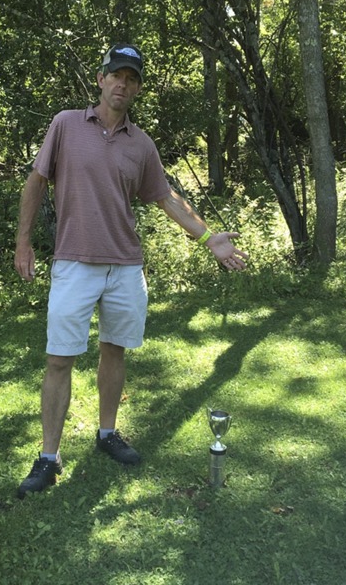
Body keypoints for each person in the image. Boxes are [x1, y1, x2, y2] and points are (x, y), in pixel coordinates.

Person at [14, 43, 248, 499]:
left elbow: (165, 197)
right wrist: (23, 242)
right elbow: (36, 181)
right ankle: (48, 457)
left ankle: (107, 434)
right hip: (74, 263)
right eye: (116, 75)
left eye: (132, 78)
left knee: (114, 350)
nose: (123, 84)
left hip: (125, 267)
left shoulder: (141, 144)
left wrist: (208, 238)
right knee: (59, 359)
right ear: (101, 79)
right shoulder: (65, 124)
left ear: (138, 88)